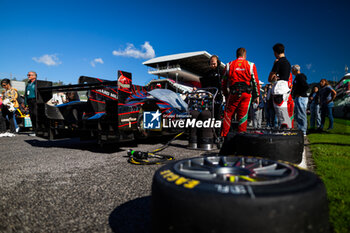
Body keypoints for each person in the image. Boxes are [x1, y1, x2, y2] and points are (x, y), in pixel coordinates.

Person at [221, 48, 260, 136]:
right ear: (245, 55)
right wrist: (257, 96)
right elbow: (255, 81)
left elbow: (223, 81)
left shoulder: (229, 65)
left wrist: (226, 94)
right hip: (246, 94)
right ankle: (241, 137)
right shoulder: (251, 65)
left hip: (233, 93)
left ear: (236, 55)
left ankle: (224, 137)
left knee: (228, 114)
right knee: (243, 116)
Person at [268, 43, 294, 129]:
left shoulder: (278, 62)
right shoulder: (288, 63)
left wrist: (274, 65)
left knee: (281, 114)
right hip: (285, 88)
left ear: (275, 52)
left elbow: (269, 78)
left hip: (279, 90)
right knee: (284, 113)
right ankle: (287, 130)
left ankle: (286, 133)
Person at [200, 55, 223, 120]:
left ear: (218, 63)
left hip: (218, 97)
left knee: (217, 114)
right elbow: (204, 85)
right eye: (211, 64)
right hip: (209, 97)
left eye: (214, 64)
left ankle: (217, 129)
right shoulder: (207, 74)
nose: (212, 65)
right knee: (208, 114)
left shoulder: (221, 72)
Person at [291, 64, 309, 135]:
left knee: (302, 114)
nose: (291, 71)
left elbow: (306, 86)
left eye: (292, 69)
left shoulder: (300, 76)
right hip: (298, 98)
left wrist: (300, 93)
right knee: (298, 115)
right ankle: (300, 129)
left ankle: (303, 131)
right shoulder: (296, 77)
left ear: (295, 69)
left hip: (301, 98)